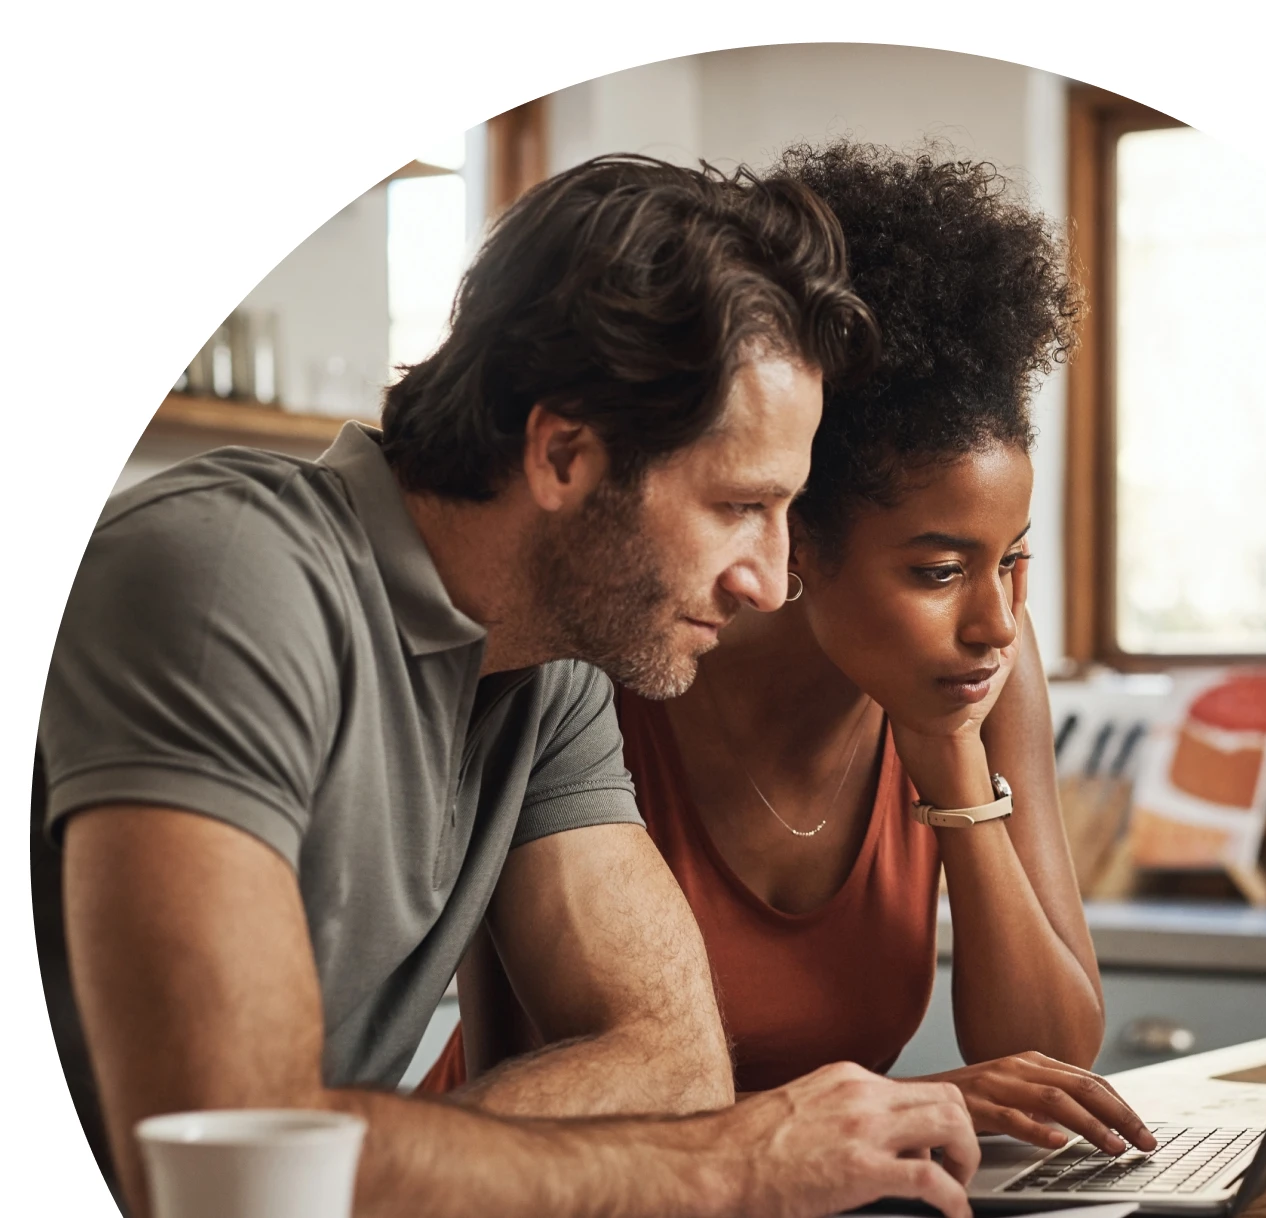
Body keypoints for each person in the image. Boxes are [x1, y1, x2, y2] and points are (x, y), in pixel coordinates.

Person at [32, 154, 983, 1218]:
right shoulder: (224, 576)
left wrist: (370, 1158)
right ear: (564, 453)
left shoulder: (547, 671)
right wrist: (735, 1165)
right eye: (736, 507)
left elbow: (673, 1067)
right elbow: (232, 1168)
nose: (767, 582)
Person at [419, 142, 1157, 1159]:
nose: (995, 620)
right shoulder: (614, 657)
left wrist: (949, 768)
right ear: (797, 533)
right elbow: (556, 1082)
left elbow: (1053, 1059)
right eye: (938, 571)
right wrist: (905, 1105)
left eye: (1013, 561)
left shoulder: (976, 670)